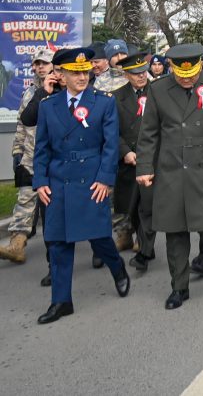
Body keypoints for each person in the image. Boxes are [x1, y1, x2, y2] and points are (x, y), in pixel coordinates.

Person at [135, 43, 203, 310]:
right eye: (181, 74)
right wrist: (145, 167)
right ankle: (179, 287)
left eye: (191, 73)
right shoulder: (157, 89)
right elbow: (148, 133)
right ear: (171, 68)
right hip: (171, 170)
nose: (187, 78)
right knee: (175, 231)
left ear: (200, 65)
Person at [32, 47, 130, 323]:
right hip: (58, 182)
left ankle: (117, 268)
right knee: (58, 244)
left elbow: (111, 146)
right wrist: (40, 181)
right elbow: (41, 149)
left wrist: (104, 179)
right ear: (61, 75)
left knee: (99, 239)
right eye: (75, 73)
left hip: (91, 181)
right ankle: (62, 301)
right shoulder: (48, 106)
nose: (82, 77)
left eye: (85, 71)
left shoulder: (103, 102)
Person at [0, 47, 54, 264]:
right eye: (37, 63)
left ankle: (59, 251)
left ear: (53, 65)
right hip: (30, 157)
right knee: (24, 200)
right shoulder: (30, 92)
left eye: (44, 63)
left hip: (52, 160)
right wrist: (17, 151)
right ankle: (17, 245)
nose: (40, 67)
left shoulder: (61, 89)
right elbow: (22, 124)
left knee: (52, 208)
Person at [111, 51, 156, 267]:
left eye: (144, 72)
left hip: (151, 159)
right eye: (136, 73)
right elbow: (111, 130)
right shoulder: (116, 97)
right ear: (126, 74)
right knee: (130, 205)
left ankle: (146, 249)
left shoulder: (157, 92)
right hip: (128, 160)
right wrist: (125, 152)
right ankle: (133, 237)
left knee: (147, 206)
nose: (141, 76)